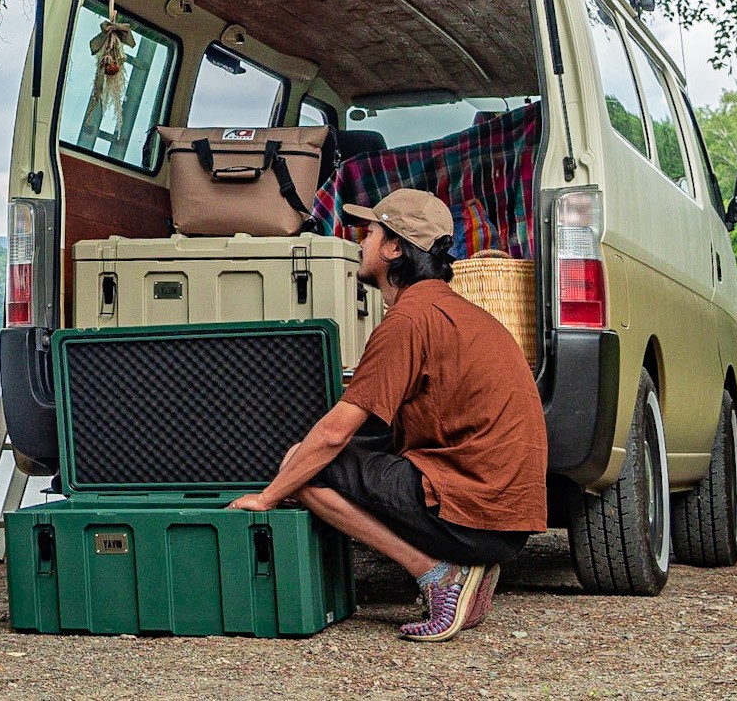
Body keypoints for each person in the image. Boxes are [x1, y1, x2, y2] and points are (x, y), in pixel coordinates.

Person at [228, 187, 547, 641]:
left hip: (474, 515)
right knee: (338, 452)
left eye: (370, 232)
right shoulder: (461, 314)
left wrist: (268, 496)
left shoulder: (408, 321)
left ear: (395, 248)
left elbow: (335, 435)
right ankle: (465, 567)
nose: (361, 242)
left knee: (305, 466)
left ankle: (439, 575)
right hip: (507, 521)